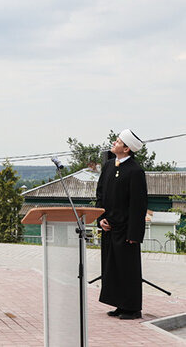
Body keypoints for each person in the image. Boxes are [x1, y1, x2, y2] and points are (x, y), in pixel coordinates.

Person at [96, 128, 148, 320]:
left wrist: (134, 234)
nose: (114, 143)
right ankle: (119, 304)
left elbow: (139, 205)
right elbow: (100, 194)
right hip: (109, 227)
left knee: (128, 270)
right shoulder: (109, 166)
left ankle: (133, 308)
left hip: (126, 230)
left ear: (126, 149)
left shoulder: (135, 171)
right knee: (111, 268)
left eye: (118, 141)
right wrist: (100, 217)